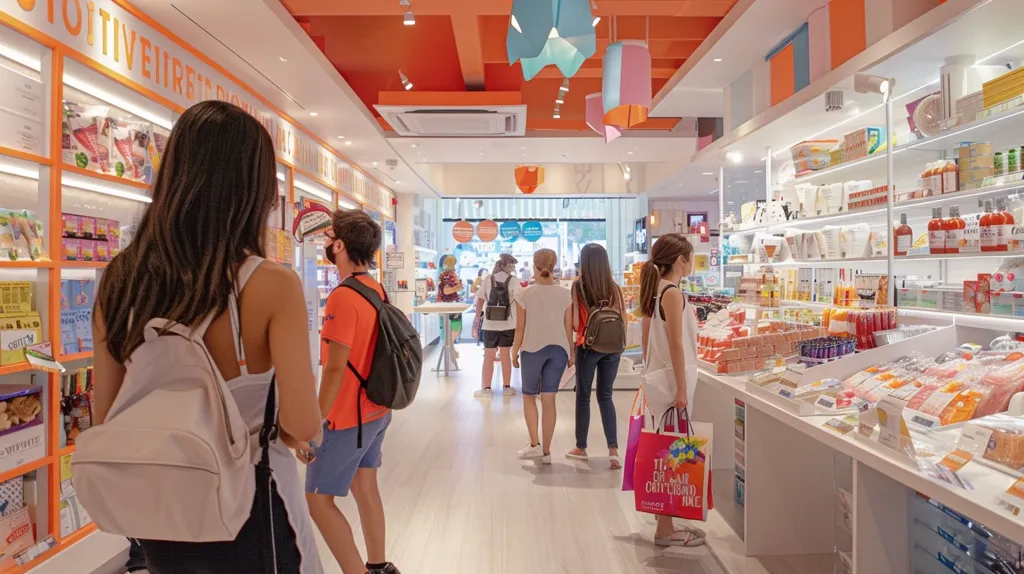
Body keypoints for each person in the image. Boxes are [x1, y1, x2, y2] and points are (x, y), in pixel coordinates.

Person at [92, 101, 324, 573]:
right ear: (253, 189)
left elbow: (106, 413)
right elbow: (302, 424)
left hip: (160, 512)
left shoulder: (121, 279)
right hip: (252, 509)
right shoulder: (270, 284)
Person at [298, 210, 400, 574]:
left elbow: (336, 368)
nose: (325, 243)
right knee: (365, 487)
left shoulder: (342, 297)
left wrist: (314, 424)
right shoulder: (375, 287)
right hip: (376, 409)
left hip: (345, 417)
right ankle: (378, 566)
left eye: (329, 238)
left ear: (339, 245)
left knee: (316, 501)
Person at [639, 233, 704, 547]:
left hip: (661, 384)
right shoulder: (673, 293)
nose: (692, 263)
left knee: (667, 450)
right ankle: (665, 528)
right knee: (672, 455)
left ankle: (665, 518)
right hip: (672, 386)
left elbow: (651, 339)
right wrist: (681, 389)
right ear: (681, 259)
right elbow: (677, 344)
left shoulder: (658, 290)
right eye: (690, 257)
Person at [511, 249, 573, 464]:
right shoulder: (564, 294)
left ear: (535, 267)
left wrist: (513, 351)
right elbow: (568, 327)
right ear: (554, 265)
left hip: (532, 348)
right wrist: (571, 353)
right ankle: (546, 452)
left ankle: (534, 445)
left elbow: (520, 327)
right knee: (549, 399)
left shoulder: (524, 294)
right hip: (559, 349)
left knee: (529, 396)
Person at [566, 244, 625, 469]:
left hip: (587, 345)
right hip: (613, 347)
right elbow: (622, 318)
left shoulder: (578, 286)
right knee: (606, 396)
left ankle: (581, 447)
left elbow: (574, 321)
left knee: (583, 396)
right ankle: (613, 450)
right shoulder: (613, 287)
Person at [474, 253, 522, 397]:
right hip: (508, 323)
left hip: (489, 324)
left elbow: (480, 299)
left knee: (489, 355)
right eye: (512, 264)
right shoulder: (514, 281)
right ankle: (507, 387)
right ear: (506, 265)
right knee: (505, 355)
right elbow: (520, 300)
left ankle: (486, 389)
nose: (513, 267)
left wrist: (477, 317)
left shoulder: (488, 279)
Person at [436, 254, 463, 358]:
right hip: (450, 305)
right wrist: (457, 288)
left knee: (449, 328)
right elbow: (446, 291)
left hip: (446, 304)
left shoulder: (444, 274)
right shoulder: (449, 275)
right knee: (455, 327)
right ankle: (450, 348)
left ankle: (450, 348)